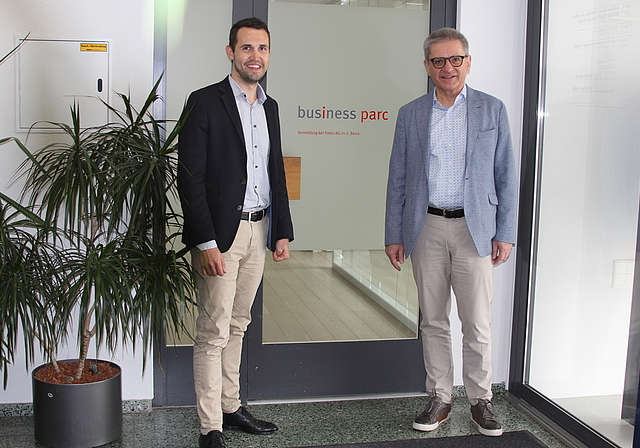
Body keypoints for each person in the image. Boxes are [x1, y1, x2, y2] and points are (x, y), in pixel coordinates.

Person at [384, 27, 517, 437]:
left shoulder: (491, 110)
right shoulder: (411, 113)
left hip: (475, 229)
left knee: (477, 322)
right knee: (434, 321)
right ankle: (440, 396)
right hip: (425, 228)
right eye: (438, 61)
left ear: (468, 62)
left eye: (455, 59)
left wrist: (506, 231)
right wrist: (394, 233)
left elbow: (506, 176)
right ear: (427, 66)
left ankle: (481, 401)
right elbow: (398, 178)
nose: (448, 67)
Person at [177, 17, 294, 448]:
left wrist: (281, 229)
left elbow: (273, 170)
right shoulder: (204, 101)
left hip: (258, 229)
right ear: (230, 52)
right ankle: (210, 427)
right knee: (213, 330)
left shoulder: (270, 107)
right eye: (247, 48)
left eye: (262, 48)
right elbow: (189, 176)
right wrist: (205, 241)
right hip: (220, 238)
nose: (255, 56)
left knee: (239, 323)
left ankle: (230, 405)